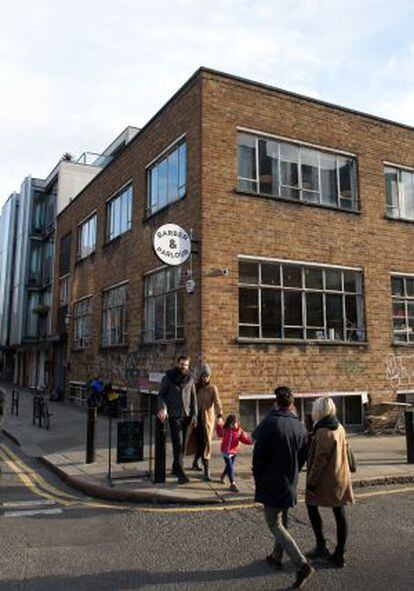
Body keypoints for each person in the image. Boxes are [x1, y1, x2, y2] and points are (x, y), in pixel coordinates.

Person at [252, 386, 314, 589]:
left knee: (273, 522)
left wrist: (258, 477)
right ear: (292, 404)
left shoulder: (270, 422)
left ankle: (302, 564)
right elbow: (304, 455)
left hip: (272, 481)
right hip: (290, 480)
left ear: (276, 403)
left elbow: (258, 455)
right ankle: (276, 556)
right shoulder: (299, 425)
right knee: (283, 519)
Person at [306, 397, 354, 568]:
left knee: (311, 505)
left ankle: (321, 546)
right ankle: (339, 553)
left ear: (319, 411)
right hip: (340, 476)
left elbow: (320, 460)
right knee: (339, 513)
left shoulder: (323, 431)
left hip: (326, 480)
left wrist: (311, 481)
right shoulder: (338, 426)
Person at [157, 355, 198, 484]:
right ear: (177, 364)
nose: (183, 367)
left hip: (186, 416)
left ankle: (175, 467)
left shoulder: (190, 379)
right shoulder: (167, 378)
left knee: (183, 445)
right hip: (174, 416)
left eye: (185, 365)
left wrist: (195, 415)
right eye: (181, 364)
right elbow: (161, 395)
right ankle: (181, 474)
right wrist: (163, 408)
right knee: (178, 444)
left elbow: (193, 399)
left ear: (188, 366)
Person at [186, 364, 224, 481]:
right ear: (201, 376)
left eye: (207, 376)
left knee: (206, 443)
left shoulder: (213, 388)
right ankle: (195, 462)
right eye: (204, 375)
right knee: (198, 442)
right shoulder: (196, 387)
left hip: (207, 420)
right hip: (196, 420)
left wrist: (220, 416)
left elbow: (217, 402)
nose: (205, 378)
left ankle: (207, 470)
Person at [216, 413, 252, 492]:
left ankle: (223, 475)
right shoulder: (226, 429)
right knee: (230, 467)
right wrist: (218, 424)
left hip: (234, 451)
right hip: (225, 451)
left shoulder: (239, 431)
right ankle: (232, 484)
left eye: (235, 423)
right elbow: (219, 433)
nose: (234, 425)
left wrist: (251, 441)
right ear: (229, 423)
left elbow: (245, 439)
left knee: (229, 466)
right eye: (232, 423)